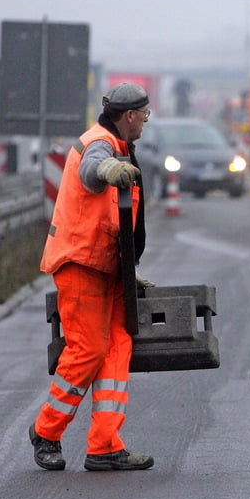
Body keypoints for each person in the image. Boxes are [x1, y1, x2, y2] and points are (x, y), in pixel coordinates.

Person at [28, 82, 156, 472]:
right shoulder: (100, 143)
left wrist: (128, 272)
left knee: (117, 347)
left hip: (107, 268)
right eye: (145, 115)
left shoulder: (120, 145)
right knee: (88, 349)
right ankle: (45, 431)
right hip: (81, 264)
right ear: (129, 116)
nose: (147, 121)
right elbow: (90, 171)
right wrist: (109, 169)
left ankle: (105, 446)